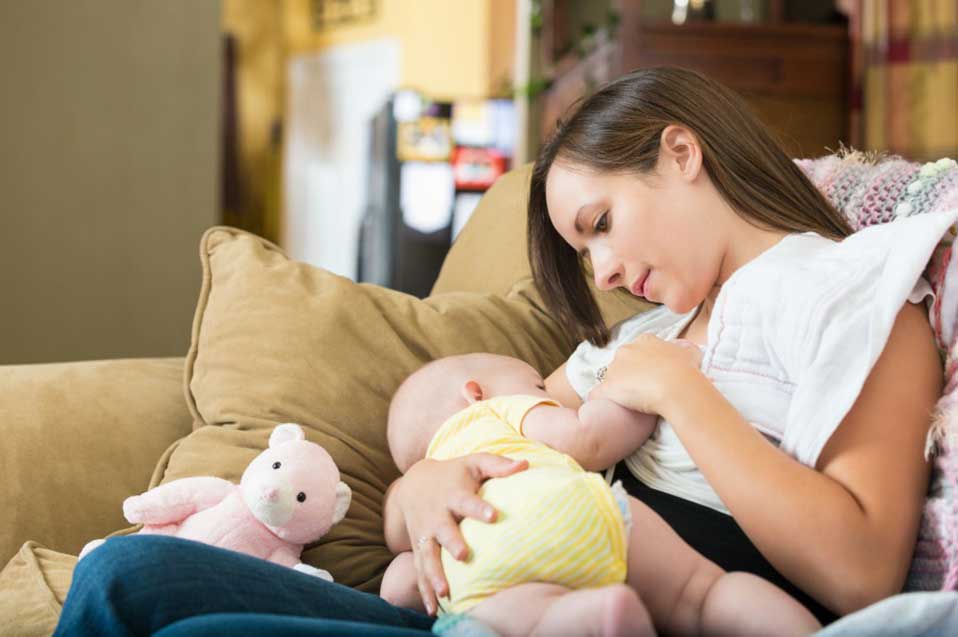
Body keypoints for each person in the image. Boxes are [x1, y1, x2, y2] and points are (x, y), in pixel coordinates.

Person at [53, 66, 947, 635]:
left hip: (612, 609)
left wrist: (689, 399)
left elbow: (864, 573)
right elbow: (489, 432)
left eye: (598, 226)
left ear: (680, 153)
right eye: (583, 251)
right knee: (133, 574)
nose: (602, 269)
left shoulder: (853, 294)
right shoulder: (639, 339)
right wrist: (422, 489)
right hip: (468, 599)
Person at [379, 352, 820, 636]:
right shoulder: (497, 411)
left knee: (523, 620)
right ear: (475, 392)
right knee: (702, 595)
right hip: (566, 512)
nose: (553, 399)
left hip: (477, 573)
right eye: (538, 388)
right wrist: (634, 392)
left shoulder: (428, 495)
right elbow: (587, 438)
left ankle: (595, 619)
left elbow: (402, 575)